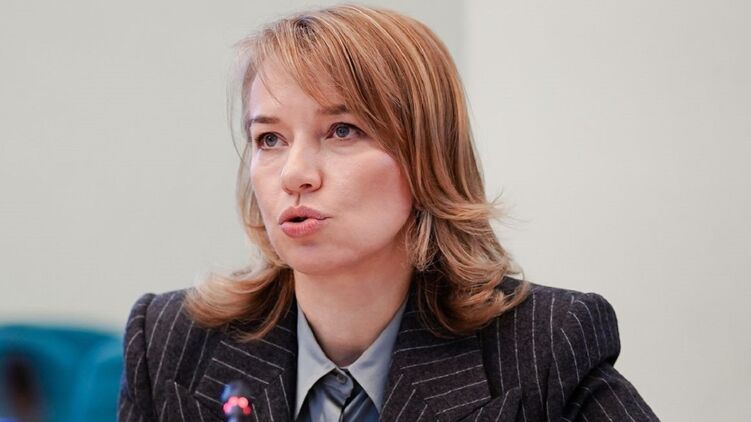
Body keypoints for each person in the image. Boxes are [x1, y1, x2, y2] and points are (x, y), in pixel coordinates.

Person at [117, 4, 658, 422]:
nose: (295, 174)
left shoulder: (543, 346)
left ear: (426, 155)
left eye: (342, 131)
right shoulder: (172, 341)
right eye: (270, 139)